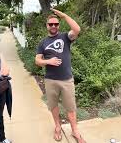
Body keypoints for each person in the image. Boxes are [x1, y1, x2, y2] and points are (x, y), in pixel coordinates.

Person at [35, 8, 86, 143]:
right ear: (47, 26)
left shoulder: (65, 37)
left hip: (66, 80)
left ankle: (75, 131)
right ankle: (57, 127)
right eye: (50, 24)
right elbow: (37, 61)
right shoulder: (43, 42)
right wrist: (48, 61)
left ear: (59, 25)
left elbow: (77, 29)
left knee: (70, 107)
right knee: (53, 106)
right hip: (50, 80)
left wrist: (63, 15)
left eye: (56, 24)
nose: (53, 26)